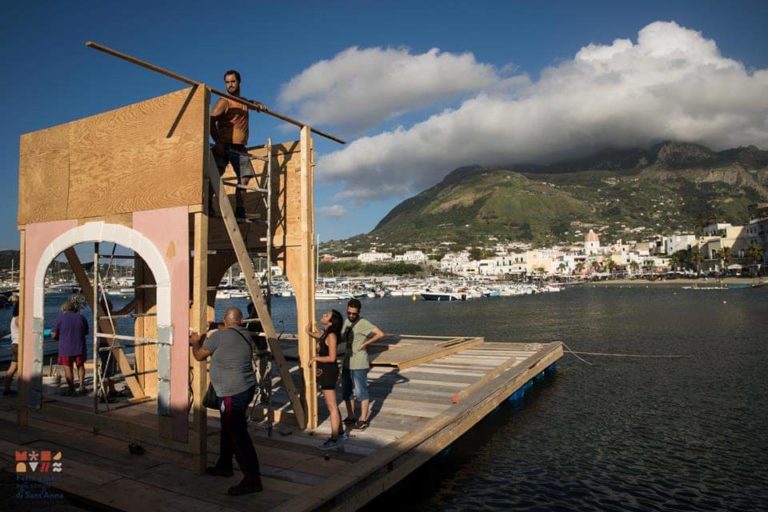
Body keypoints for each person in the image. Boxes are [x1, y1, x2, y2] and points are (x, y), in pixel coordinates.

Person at [190, 307, 262, 496]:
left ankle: (252, 479)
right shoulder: (245, 334)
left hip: (232, 392)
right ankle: (225, 464)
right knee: (228, 427)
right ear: (241, 320)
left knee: (238, 435)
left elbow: (199, 356)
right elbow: (229, 329)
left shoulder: (218, 337)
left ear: (224, 320)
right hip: (246, 388)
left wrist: (195, 343)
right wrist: (217, 327)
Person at [210, 70, 264, 220]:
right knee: (216, 174)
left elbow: (250, 104)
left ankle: (240, 209)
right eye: (227, 82)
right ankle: (208, 204)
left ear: (240, 83)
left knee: (244, 178)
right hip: (224, 145)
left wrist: (257, 104)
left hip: (239, 147)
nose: (230, 85)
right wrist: (218, 142)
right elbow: (210, 121)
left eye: (233, 81)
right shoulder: (224, 101)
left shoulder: (244, 102)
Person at [341, 299, 385, 431]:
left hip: (359, 363)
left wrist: (366, 343)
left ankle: (363, 419)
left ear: (359, 312)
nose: (351, 316)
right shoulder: (347, 321)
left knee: (361, 393)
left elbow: (380, 334)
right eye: (349, 313)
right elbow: (343, 337)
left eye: (354, 314)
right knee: (347, 392)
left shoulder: (363, 322)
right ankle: (350, 416)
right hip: (347, 362)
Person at [306, 309, 344, 450]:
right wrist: (308, 331)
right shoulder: (326, 334)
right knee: (332, 404)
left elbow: (332, 357)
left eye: (327, 315)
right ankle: (341, 432)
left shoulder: (332, 336)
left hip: (329, 372)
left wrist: (315, 358)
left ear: (331, 321)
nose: (323, 315)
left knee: (332, 407)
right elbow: (319, 336)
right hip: (325, 372)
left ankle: (334, 439)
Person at [52, 300, 89, 396]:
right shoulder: (81, 317)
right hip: (79, 346)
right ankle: (82, 385)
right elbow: (86, 332)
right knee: (80, 366)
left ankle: (71, 388)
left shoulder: (60, 319)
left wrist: (58, 337)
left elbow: (54, 335)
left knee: (68, 368)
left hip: (65, 348)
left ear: (63, 309)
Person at [3, 299, 20, 396]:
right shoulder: (18, 318)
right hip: (18, 344)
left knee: (13, 367)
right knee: (14, 367)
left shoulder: (14, 318)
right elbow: (24, 330)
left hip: (15, 344)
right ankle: (8, 388)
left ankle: (7, 388)